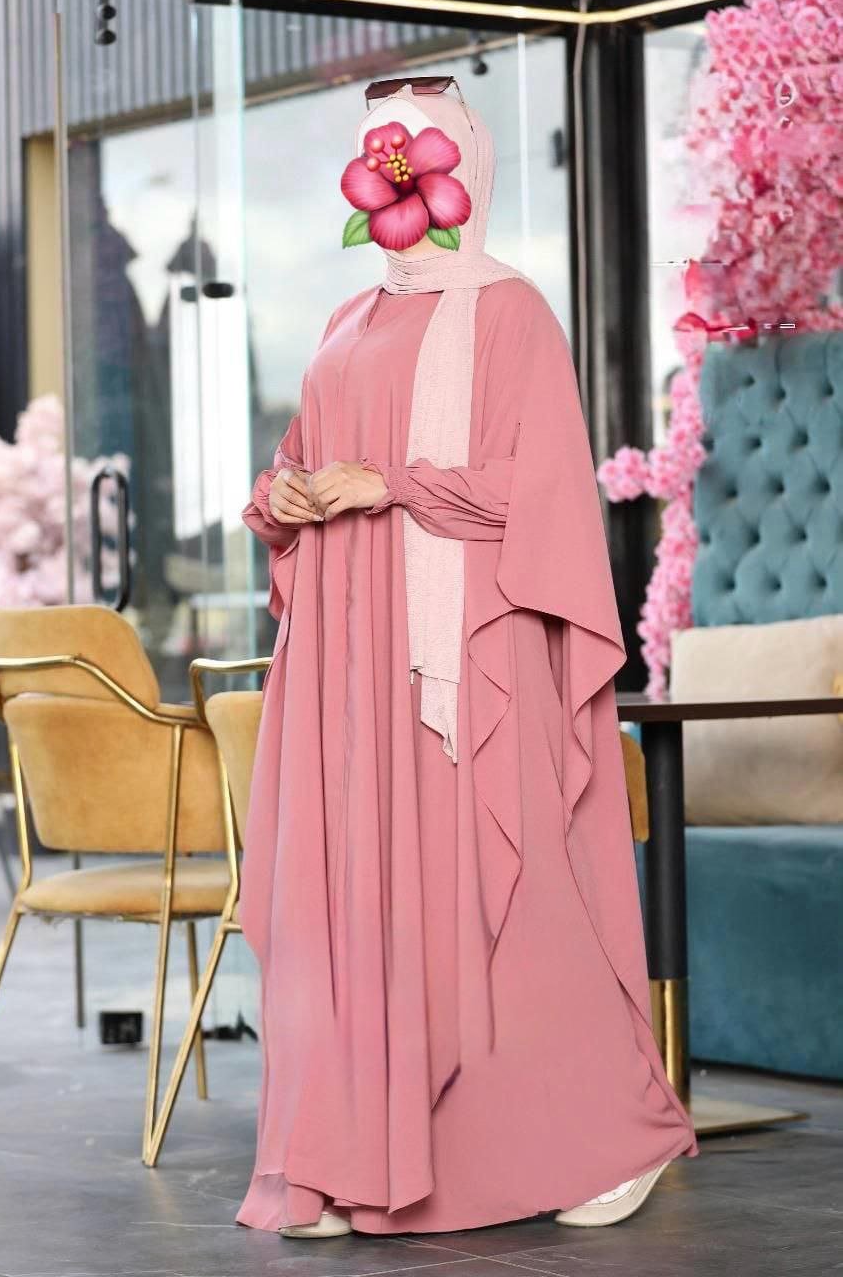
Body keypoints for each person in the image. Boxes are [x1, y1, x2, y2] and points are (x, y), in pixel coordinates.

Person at [236, 78, 698, 1240]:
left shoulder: (511, 313)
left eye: (419, 159)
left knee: (515, 887)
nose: (398, 188)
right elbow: (305, 456)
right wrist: (285, 495)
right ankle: (348, 1158)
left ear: (463, 173)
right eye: (382, 162)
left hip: (466, 653)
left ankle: (607, 1138)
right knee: (362, 913)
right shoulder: (346, 320)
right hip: (350, 660)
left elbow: (534, 491)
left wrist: (387, 483)